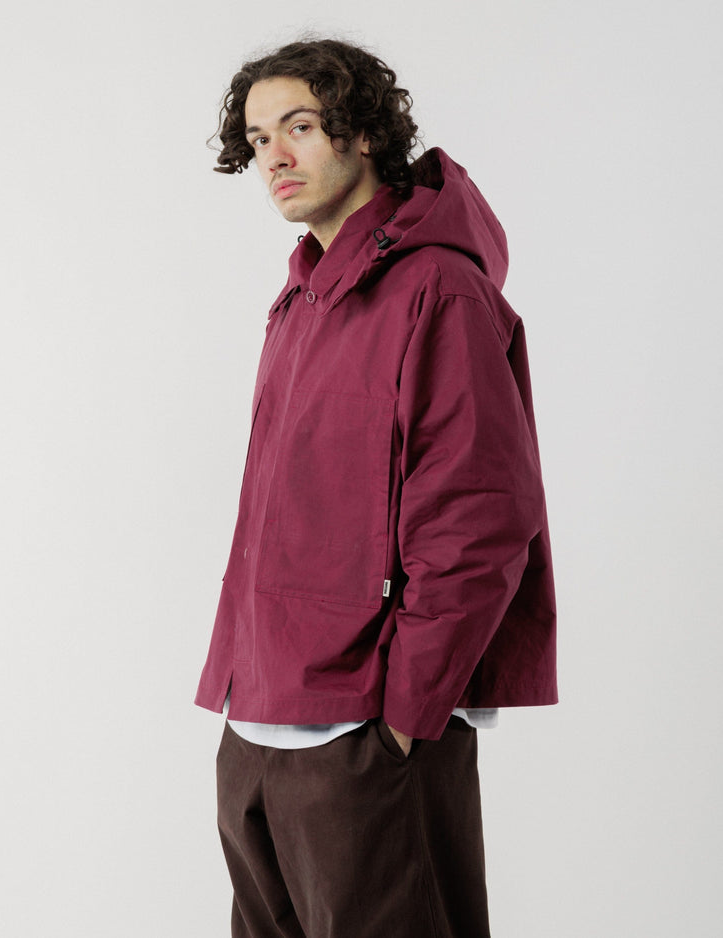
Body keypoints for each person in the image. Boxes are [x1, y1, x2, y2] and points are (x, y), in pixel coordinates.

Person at [196, 38, 557, 938]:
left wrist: (403, 716)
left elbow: (479, 519)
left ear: (362, 132)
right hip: (258, 723)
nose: (274, 157)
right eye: (259, 137)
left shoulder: (440, 290)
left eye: (300, 127)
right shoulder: (300, 300)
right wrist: (243, 699)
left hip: (365, 733)